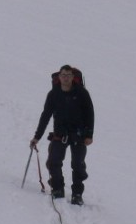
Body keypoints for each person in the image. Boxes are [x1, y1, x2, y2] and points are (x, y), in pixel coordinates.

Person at [30, 65, 94, 205]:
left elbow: (90, 114)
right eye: (63, 75)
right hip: (60, 134)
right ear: (59, 77)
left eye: (68, 75)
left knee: (78, 165)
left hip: (79, 135)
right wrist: (37, 136)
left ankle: (77, 194)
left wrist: (89, 135)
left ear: (72, 77)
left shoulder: (82, 92)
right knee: (53, 162)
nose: (65, 77)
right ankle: (58, 188)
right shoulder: (53, 94)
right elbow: (45, 116)